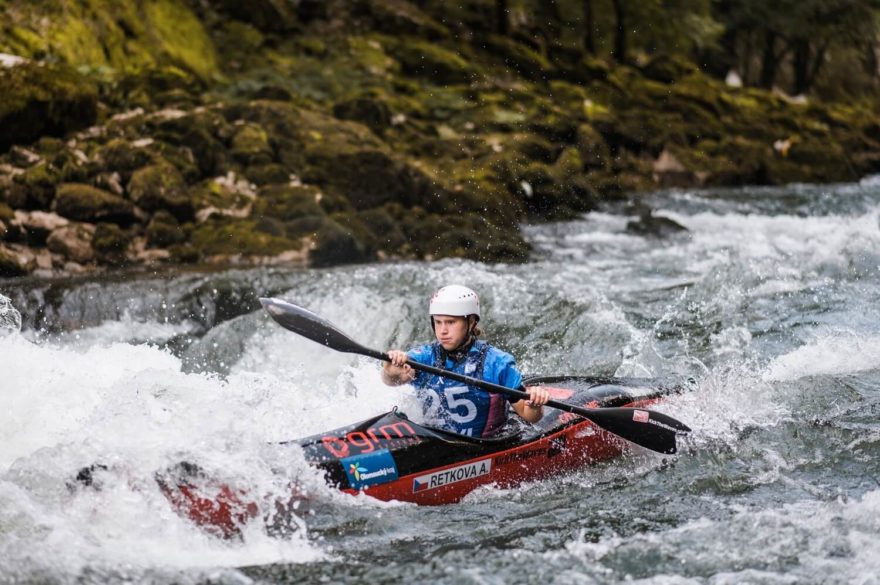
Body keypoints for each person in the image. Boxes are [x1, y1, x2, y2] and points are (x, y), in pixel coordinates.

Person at [382, 285, 550, 438]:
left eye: (451, 322)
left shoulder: (496, 363)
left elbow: (529, 415)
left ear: (470, 322)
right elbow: (392, 380)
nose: (443, 331)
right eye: (438, 322)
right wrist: (391, 367)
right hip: (435, 446)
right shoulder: (425, 357)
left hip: (483, 447)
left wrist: (535, 405)